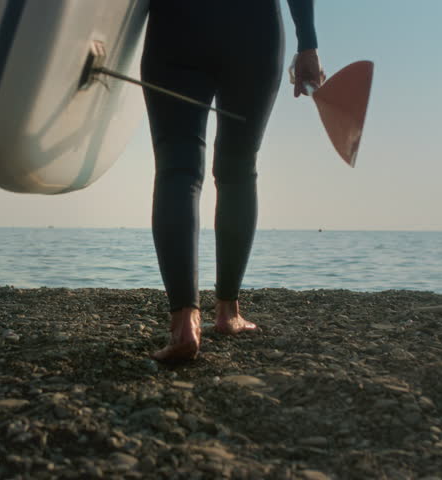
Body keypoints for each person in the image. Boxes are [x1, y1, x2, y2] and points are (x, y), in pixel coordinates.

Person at [144, 0, 325, 361]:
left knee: (178, 168)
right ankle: (227, 313)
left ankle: (184, 325)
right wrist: (308, 43)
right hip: (252, 29)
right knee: (238, 168)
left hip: (176, 25)